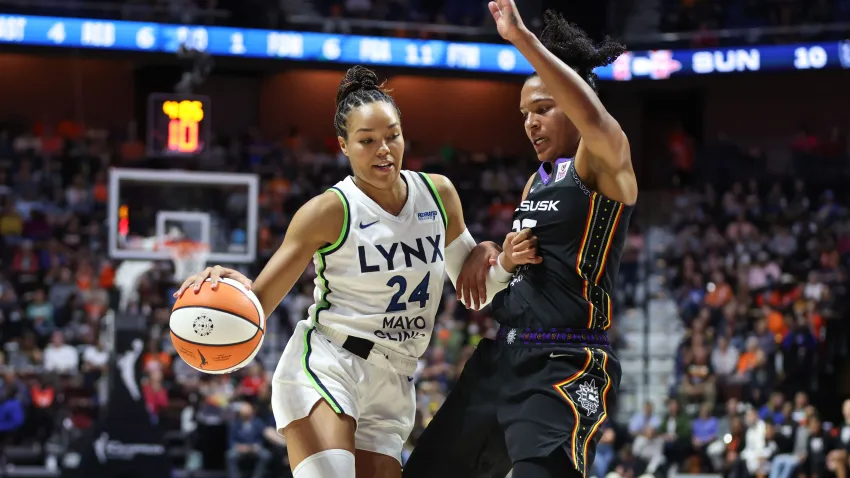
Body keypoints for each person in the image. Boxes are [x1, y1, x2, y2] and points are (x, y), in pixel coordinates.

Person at [174, 65, 539, 478]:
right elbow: (258, 302)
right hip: (330, 364)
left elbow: (477, 292)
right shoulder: (328, 210)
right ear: (344, 146)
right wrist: (224, 291)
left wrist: (504, 262)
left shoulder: (439, 194)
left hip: (396, 378)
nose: (384, 149)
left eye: (392, 136)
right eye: (367, 141)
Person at [403, 1, 637, 477]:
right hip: (502, 356)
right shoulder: (537, 181)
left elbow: (594, 120)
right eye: (524, 113)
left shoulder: (605, 162)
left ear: (572, 106)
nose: (530, 122)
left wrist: (524, 40)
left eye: (544, 108)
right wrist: (499, 255)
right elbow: (521, 266)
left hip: (564, 363)